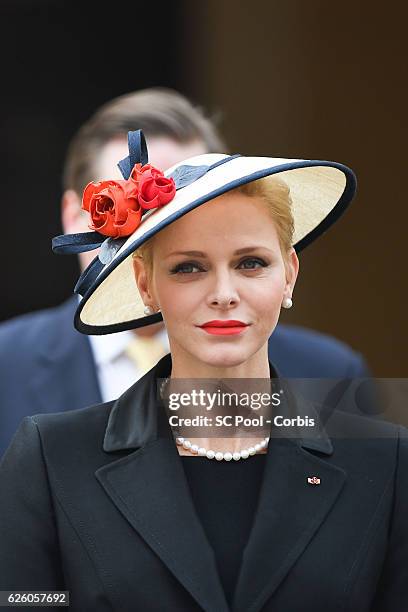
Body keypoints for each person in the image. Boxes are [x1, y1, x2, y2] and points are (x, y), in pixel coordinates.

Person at [0, 131, 406, 611]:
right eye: (189, 268)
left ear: (289, 273)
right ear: (146, 284)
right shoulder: (52, 458)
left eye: (251, 263)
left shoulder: (385, 463)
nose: (223, 292)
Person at [0, 88, 370, 458]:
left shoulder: (328, 371)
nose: (155, 238)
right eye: (133, 218)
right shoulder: (7, 364)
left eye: (192, 207)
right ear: (76, 217)